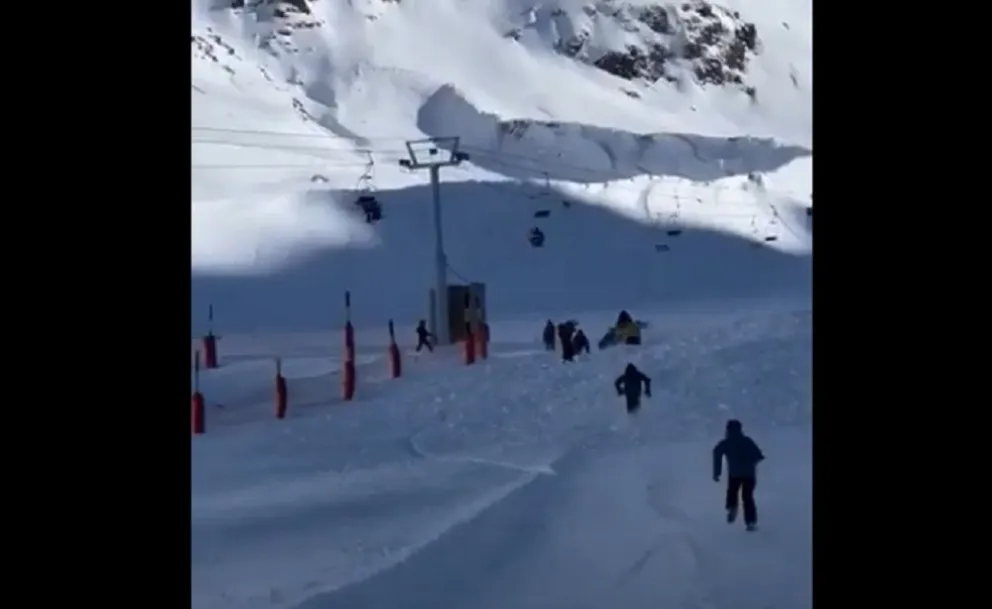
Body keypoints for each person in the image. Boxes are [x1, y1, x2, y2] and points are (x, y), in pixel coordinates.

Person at [712, 419, 765, 531]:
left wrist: (717, 473)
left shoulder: (726, 443)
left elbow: (716, 453)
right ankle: (750, 522)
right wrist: (751, 462)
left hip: (734, 474)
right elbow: (759, 456)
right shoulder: (747, 441)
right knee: (748, 497)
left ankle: (732, 507)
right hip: (749, 474)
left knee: (732, 491)